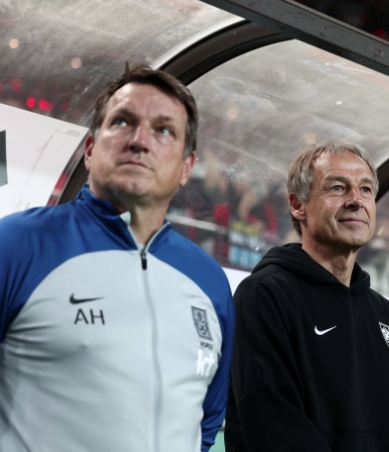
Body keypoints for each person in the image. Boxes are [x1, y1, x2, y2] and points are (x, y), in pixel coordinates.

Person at [0, 64, 234, 452]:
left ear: (186, 168)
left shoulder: (209, 281)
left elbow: (206, 420)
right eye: (123, 122)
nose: (140, 141)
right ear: (91, 150)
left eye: (164, 130)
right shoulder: (18, 244)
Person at [225, 140, 389, 452]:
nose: (356, 200)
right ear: (298, 205)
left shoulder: (388, 316)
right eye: (337, 188)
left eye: (365, 189)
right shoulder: (264, 295)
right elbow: (273, 423)